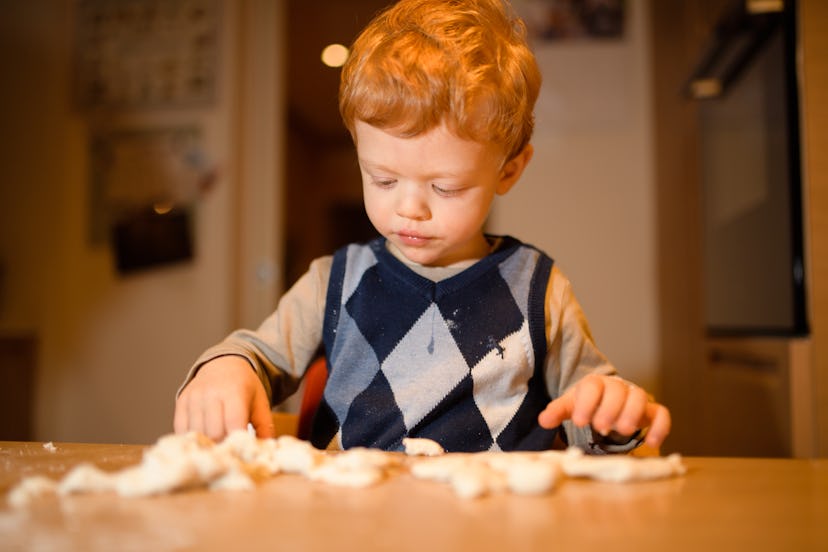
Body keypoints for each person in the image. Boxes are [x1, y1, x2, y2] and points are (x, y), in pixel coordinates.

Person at [174, 0, 671, 454]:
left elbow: (592, 417)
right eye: (383, 179)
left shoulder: (539, 289)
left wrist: (610, 415)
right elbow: (256, 355)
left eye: (445, 188)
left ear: (508, 171)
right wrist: (227, 368)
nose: (409, 209)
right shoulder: (336, 281)